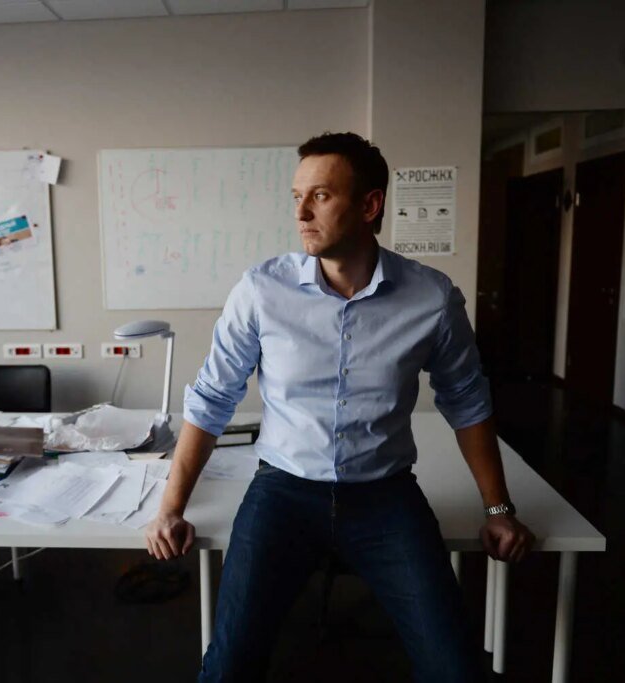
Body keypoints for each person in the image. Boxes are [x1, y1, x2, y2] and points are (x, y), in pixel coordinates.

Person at [145, 132, 535, 682]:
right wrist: (171, 507)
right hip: (282, 492)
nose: (301, 212)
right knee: (228, 666)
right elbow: (211, 399)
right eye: (297, 196)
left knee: (456, 669)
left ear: (370, 205)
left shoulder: (431, 298)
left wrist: (498, 510)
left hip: (385, 496)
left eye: (321, 195)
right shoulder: (260, 291)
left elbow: (467, 400)